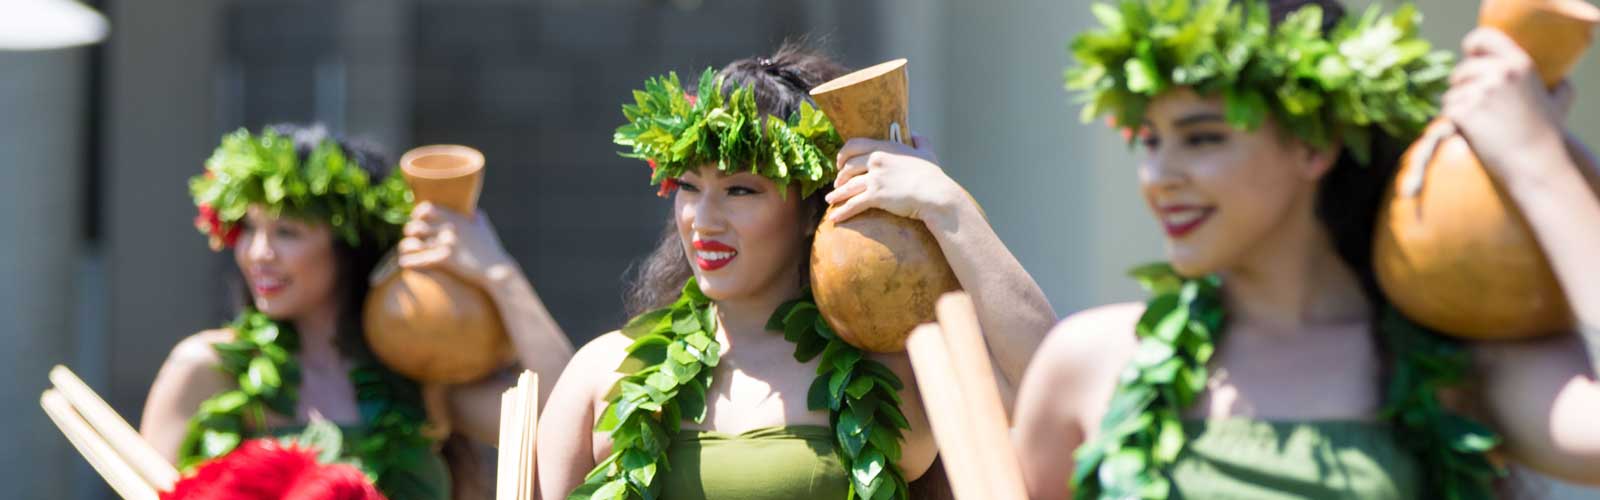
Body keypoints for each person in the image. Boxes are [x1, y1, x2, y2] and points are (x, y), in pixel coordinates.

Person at [1013, 1, 1600, 498]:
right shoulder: (1090, 360)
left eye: (1201, 138)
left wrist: (1534, 160)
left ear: (1314, 146)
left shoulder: (1457, 366)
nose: (1158, 175)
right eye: (1151, 142)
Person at [537, 46, 1055, 499]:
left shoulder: (892, 373)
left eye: (741, 190)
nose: (703, 220)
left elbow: (1046, 380)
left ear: (813, 211)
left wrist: (945, 206)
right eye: (690, 187)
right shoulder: (603, 371)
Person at [140, 124, 574, 500]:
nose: (258, 253)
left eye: (286, 232)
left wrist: (498, 272)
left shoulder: (417, 374)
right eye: (249, 229)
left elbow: (564, 424)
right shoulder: (207, 369)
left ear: (347, 245)